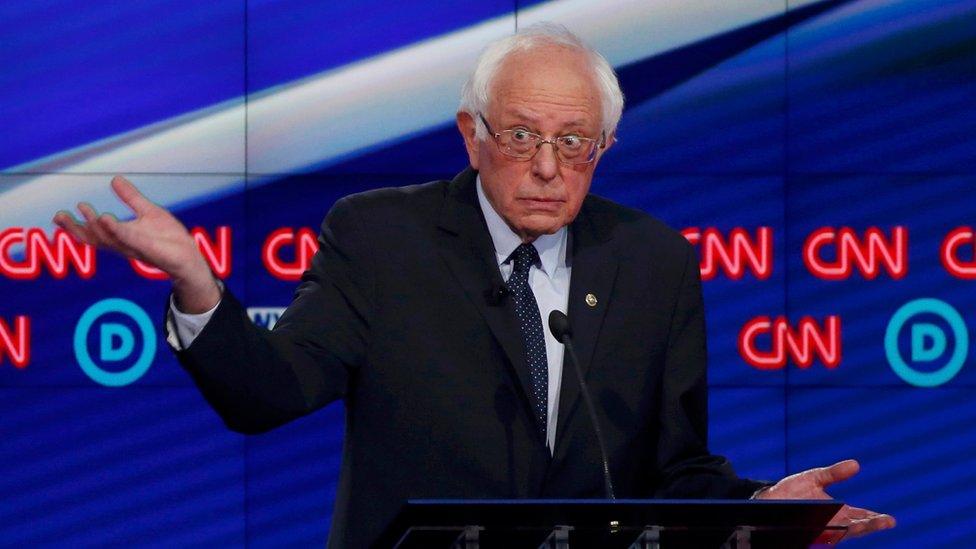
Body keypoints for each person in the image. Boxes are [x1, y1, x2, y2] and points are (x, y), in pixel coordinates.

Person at [54, 23, 894, 548]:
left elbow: (669, 469)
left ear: (605, 146)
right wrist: (199, 283)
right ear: (471, 134)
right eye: (522, 133)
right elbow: (269, 392)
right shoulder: (382, 236)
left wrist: (762, 503)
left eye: (576, 142)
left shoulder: (654, 260)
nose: (546, 166)